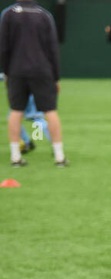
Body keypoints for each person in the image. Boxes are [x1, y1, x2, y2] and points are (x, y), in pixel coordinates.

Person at [0, 0, 67, 166]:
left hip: (16, 69)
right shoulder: (44, 15)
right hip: (41, 69)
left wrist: (6, 72)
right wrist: (56, 77)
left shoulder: (8, 14)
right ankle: (59, 157)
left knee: (16, 111)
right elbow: (52, 48)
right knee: (50, 111)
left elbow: (3, 47)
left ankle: (15, 157)